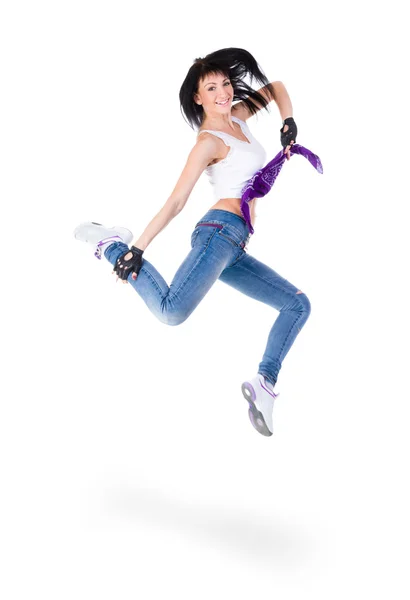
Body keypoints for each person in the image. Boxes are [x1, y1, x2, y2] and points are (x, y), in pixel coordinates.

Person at [74, 47, 312, 437]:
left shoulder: (238, 117)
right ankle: (112, 245)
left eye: (225, 84)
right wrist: (138, 249)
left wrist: (288, 121)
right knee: (171, 312)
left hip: (235, 246)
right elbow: (178, 200)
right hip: (217, 233)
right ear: (197, 97)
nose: (223, 93)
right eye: (211, 87)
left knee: (298, 304)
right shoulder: (208, 141)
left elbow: (276, 87)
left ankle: (264, 386)